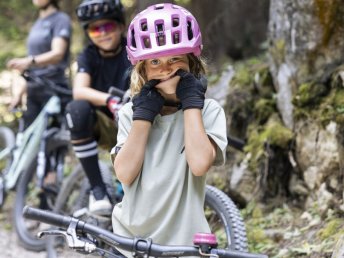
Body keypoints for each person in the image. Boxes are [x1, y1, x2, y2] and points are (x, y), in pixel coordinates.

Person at [110, 3, 227, 256]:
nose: (166, 68)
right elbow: (125, 174)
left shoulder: (210, 111)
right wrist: (144, 116)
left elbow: (199, 164)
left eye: (175, 58)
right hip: (130, 242)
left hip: (185, 244)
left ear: (191, 63)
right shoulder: (132, 113)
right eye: (155, 62)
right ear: (143, 69)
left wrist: (192, 104)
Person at [65, 0, 131, 215]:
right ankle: (98, 189)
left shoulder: (133, 50)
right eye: (95, 29)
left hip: (135, 125)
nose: (102, 33)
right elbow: (80, 90)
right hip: (105, 125)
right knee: (77, 109)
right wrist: (110, 100)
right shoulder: (89, 55)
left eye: (108, 27)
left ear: (120, 26)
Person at [6, 0, 72, 128]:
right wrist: (19, 94)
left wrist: (28, 61)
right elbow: (31, 69)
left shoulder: (60, 19)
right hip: (33, 90)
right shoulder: (37, 24)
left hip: (53, 88)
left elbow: (58, 53)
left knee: (52, 140)